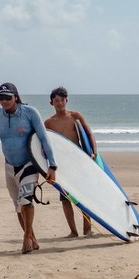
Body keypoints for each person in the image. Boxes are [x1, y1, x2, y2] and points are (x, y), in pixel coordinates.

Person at [0, 82, 57, 254]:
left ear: (16, 97)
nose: (4, 101)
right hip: (9, 166)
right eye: (1, 98)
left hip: (29, 164)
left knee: (26, 200)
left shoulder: (30, 113)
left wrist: (52, 165)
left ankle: (26, 238)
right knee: (18, 206)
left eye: (8, 97)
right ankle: (32, 238)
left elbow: (44, 139)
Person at [44, 86, 97, 237]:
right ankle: (73, 231)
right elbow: (45, 144)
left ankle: (87, 229)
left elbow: (89, 134)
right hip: (62, 165)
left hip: (79, 162)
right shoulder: (49, 123)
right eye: (56, 101)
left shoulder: (75, 116)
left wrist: (93, 152)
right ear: (51, 103)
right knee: (65, 198)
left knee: (83, 196)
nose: (59, 103)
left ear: (66, 100)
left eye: (62, 100)